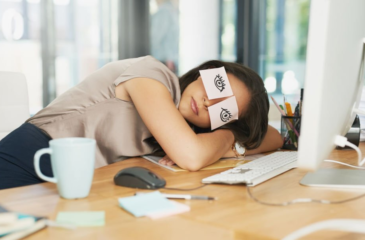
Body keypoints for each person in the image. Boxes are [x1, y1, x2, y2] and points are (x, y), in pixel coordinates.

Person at [0, 56, 283, 189]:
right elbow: (192, 156)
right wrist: (231, 139)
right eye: (216, 86)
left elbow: (274, 137)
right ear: (205, 73)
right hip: (31, 159)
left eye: (225, 109)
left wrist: (231, 133)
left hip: (77, 181)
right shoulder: (151, 74)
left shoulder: (185, 125)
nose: (210, 101)